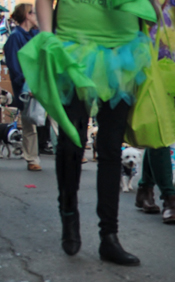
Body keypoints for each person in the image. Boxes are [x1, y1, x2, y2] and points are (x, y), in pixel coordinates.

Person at [22, 0, 157, 265]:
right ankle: (69, 211)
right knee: (72, 141)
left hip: (122, 49)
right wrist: (47, 35)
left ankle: (109, 236)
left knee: (111, 146)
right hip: (73, 46)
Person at [135, 1, 175, 224]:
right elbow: (144, 20)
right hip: (151, 62)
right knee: (158, 130)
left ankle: (144, 188)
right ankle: (169, 198)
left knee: (167, 132)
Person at [3, 4, 40, 171]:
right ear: (27, 15)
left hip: (42, 82)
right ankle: (32, 158)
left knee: (56, 119)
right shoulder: (15, 37)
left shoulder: (37, 34)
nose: (37, 15)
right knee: (29, 123)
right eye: (33, 13)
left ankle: (69, 155)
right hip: (27, 85)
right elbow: (14, 64)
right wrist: (24, 84)